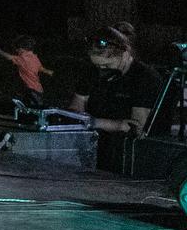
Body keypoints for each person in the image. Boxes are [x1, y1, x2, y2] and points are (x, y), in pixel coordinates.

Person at [67, 23, 163, 169]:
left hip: (125, 153)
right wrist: (82, 119)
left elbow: (135, 126)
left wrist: (93, 122)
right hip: (93, 145)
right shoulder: (91, 72)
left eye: (107, 66)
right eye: (98, 66)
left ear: (125, 54)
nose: (102, 70)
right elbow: (76, 105)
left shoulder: (145, 78)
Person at [0, 34, 53, 108]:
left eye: (17, 49)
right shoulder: (34, 57)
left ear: (22, 49)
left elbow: (9, 57)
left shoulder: (22, 59)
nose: (16, 50)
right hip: (36, 89)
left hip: (32, 90)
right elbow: (40, 67)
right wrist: (48, 71)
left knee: (36, 108)